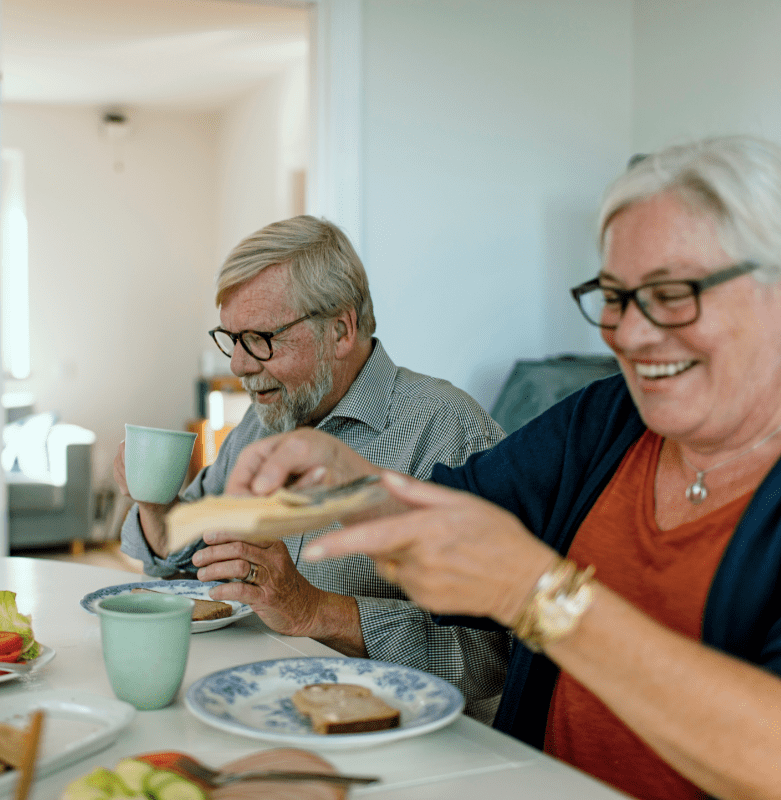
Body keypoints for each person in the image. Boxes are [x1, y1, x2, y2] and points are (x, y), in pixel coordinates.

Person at [224, 136, 781, 800]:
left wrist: (538, 597)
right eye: (613, 295)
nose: (627, 333)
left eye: (671, 293)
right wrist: (350, 481)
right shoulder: (606, 419)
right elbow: (458, 517)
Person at [115, 215, 509, 722]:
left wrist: (314, 611)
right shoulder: (262, 425)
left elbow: (495, 654)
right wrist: (155, 505)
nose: (237, 365)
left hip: (411, 738)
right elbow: (181, 565)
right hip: (265, 707)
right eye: (230, 338)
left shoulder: (451, 431)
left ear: (341, 330)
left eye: (258, 337)